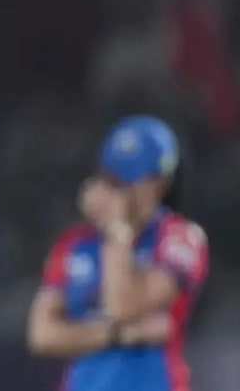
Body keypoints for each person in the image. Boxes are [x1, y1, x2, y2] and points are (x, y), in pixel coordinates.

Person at [27, 115, 209, 391]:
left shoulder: (180, 238)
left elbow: (123, 306)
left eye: (129, 180)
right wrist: (118, 335)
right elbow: (42, 335)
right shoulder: (74, 243)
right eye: (112, 178)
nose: (118, 190)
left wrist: (117, 232)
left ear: (160, 183)